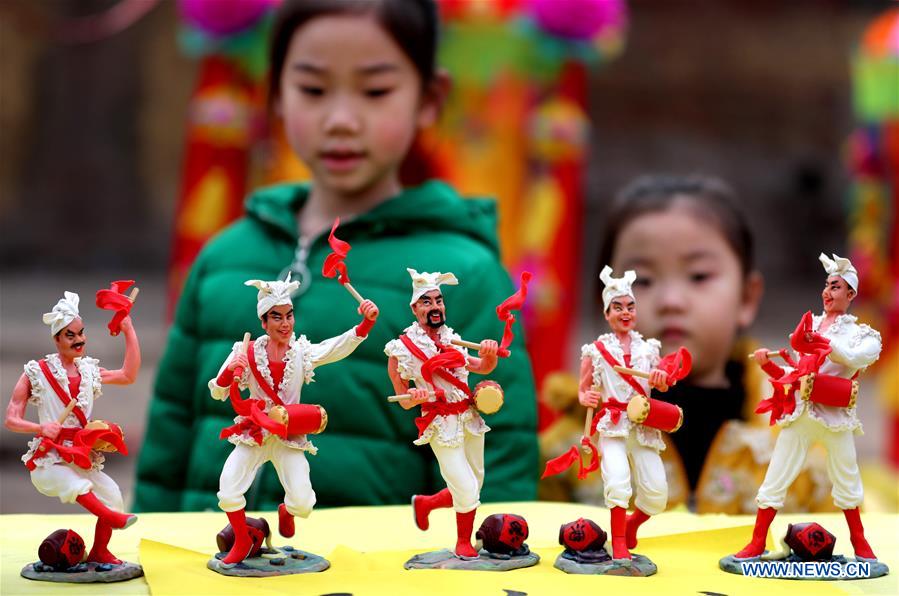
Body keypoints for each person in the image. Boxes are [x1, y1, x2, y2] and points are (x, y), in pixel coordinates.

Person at [135, 0, 537, 513]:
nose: (341, 120)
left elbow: (497, 473)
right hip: (205, 560)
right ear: (275, 94)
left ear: (429, 99)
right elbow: (168, 444)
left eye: (375, 91)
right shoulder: (223, 258)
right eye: (313, 89)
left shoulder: (469, 277)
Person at [210, 276, 378, 566]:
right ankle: (241, 539)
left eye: (289, 316)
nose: (285, 323)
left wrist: (365, 324)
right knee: (228, 487)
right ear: (264, 322)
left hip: (289, 433)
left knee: (304, 503)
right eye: (277, 317)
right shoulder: (245, 351)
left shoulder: (301, 352)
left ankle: (286, 511)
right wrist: (231, 371)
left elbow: (335, 348)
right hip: (255, 431)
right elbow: (217, 391)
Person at [734, 253, 882, 561]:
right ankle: (757, 541)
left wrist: (821, 344)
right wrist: (767, 365)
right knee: (776, 476)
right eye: (827, 285)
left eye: (836, 287)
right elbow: (795, 376)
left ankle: (860, 544)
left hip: (835, 418)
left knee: (847, 479)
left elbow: (856, 358)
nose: (828, 292)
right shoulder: (811, 325)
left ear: (851, 294)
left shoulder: (860, 335)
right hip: (801, 413)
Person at [5, 292, 140, 565]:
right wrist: (40, 427)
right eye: (70, 335)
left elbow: (128, 375)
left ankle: (100, 550)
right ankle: (112, 518)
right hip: (49, 460)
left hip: (79, 454)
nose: (79, 340)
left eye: (81, 333)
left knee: (113, 495)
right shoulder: (37, 372)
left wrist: (128, 330)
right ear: (56, 339)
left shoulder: (89, 371)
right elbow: (11, 418)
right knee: (76, 485)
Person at [385, 269, 499, 559]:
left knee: (474, 483)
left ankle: (426, 504)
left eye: (438, 300)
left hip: (469, 418)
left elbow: (482, 368)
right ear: (414, 308)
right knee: (465, 487)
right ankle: (463, 543)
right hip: (440, 423)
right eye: (427, 302)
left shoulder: (453, 339)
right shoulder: (401, 350)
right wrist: (414, 396)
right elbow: (403, 400)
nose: (435, 307)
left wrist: (489, 354)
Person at [578, 266, 677, 560]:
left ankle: (632, 525)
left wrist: (661, 378)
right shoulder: (596, 351)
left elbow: (664, 381)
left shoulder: (649, 349)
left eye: (630, 307)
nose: (625, 313)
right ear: (607, 313)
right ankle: (619, 544)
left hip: (644, 424)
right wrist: (587, 396)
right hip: (613, 423)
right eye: (618, 307)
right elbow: (583, 390)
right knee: (618, 482)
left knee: (657, 493)